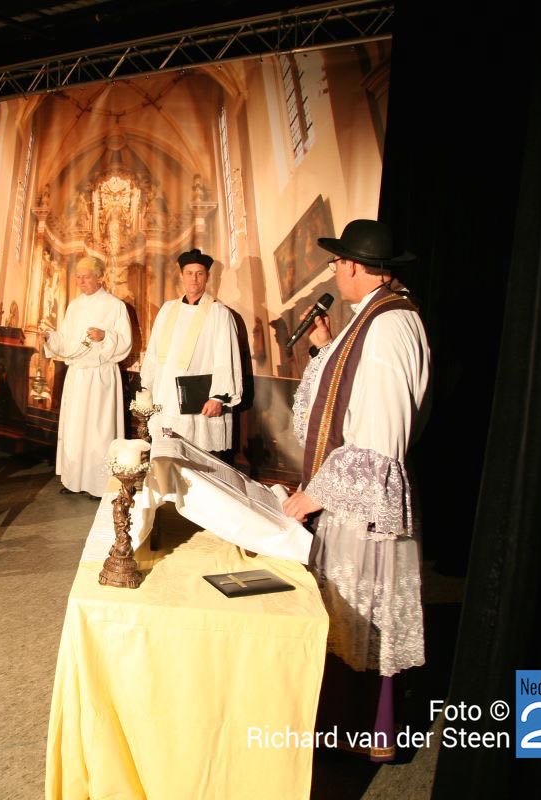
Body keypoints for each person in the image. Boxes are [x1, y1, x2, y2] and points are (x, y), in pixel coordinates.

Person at [280, 219, 430, 762]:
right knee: (346, 614)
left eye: (338, 262)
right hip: (346, 494)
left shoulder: (390, 325)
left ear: (354, 266)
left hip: (361, 503)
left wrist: (315, 496)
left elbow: (379, 439)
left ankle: (366, 731)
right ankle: (345, 725)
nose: (334, 271)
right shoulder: (370, 316)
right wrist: (323, 348)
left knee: (361, 612)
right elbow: (336, 403)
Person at [42, 256, 132, 498]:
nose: (81, 281)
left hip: (101, 375)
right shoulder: (74, 306)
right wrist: (50, 338)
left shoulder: (115, 306)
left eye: (86, 277)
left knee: (99, 430)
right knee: (76, 427)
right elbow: (66, 340)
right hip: (78, 375)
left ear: (100, 277)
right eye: (78, 277)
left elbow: (126, 341)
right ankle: (74, 480)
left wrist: (105, 336)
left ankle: (99, 485)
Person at [140, 249, 243, 459]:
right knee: (167, 452)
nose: (194, 279)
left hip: (198, 399)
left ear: (207, 277)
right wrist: (146, 387)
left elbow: (226, 357)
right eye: (189, 273)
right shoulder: (167, 310)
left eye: (199, 273)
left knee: (196, 456)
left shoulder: (219, 313)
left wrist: (218, 397)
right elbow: (153, 351)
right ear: (181, 276)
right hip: (165, 395)